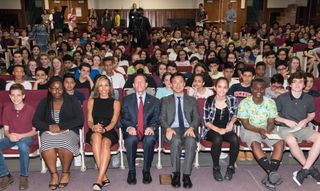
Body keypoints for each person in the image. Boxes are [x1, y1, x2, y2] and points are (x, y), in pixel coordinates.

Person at [32, 77, 84, 190]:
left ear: (63, 89)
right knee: (46, 142)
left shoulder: (72, 100)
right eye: (54, 88)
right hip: (49, 131)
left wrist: (61, 126)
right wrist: (49, 127)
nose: (57, 91)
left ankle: (65, 173)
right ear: (49, 89)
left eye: (60, 88)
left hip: (69, 130)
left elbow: (80, 120)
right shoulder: (44, 102)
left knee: (64, 141)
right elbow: (35, 121)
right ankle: (54, 174)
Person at [238, 78, 285, 191]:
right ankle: (271, 173)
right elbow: (245, 124)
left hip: (266, 129)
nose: (259, 91)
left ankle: (270, 176)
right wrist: (259, 131)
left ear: (265, 90)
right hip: (250, 129)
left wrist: (268, 131)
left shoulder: (270, 102)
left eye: (261, 88)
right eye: (256, 88)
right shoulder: (244, 103)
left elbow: (271, 122)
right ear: (251, 89)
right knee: (255, 143)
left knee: (280, 143)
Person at [275, 71, 320, 186]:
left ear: (304, 85)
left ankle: (304, 170)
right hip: (284, 128)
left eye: (301, 82)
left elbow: (311, 115)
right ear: (289, 84)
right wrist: (286, 121)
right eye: (294, 82)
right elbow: (273, 116)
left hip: (301, 128)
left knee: (319, 137)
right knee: (291, 140)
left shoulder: (309, 98)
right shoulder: (281, 98)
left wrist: (305, 121)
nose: (297, 84)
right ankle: (309, 169)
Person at [160, 73, 200, 188]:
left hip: (188, 129)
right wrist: (167, 128)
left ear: (184, 84)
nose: (178, 85)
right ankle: (176, 174)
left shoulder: (192, 100)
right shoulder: (165, 100)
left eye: (180, 82)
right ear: (171, 85)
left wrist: (192, 127)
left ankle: (186, 175)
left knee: (191, 142)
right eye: (175, 82)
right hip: (172, 129)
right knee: (176, 141)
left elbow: (197, 117)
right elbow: (161, 118)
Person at [120, 73, 160, 185]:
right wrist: (129, 127)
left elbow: (156, 119)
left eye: (142, 81)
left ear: (146, 84)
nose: (139, 84)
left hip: (147, 130)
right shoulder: (126, 100)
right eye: (136, 82)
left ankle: (146, 171)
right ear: (133, 85)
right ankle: (131, 171)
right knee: (131, 140)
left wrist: (152, 127)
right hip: (133, 130)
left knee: (150, 139)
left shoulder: (155, 101)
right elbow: (124, 118)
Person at [0, 84, 36, 190]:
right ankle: (6, 175)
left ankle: (24, 176)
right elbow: (6, 130)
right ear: (10, 96)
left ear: (23, 96)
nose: (15, 98)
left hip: (27, 137)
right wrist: (9, 135)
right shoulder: (6, 109)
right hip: (12, 137)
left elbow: (34, 131)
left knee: (23, 145)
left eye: (18, 95)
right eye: (13, 95)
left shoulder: (30, 109)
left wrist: (21, 136)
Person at [86, 76, 120, 190]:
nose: (103, 88)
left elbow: (114, 121)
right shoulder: (91, 101)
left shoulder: (116, 103)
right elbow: (89, 121)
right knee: (96, 136)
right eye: (101, 85)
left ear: (110, 87)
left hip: (109, 130)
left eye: (106, 85)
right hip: (94, 129)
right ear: (97, 88)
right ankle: (103, 177)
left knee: (105, 143)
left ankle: (99, 179)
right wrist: (94, 127)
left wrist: (104, 129)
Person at [203, 77, 239, 181]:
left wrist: (231, 123)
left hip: (226, 129)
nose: (222, 90)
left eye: (225, 87)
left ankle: (231, 167)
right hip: (211, 130)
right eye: (219, 87)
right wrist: (218, 130)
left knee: (235, 139)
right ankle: (216, 167)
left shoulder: (232, 99)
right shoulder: (209, 101)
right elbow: (206, 122)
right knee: (218, 138)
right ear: (215, 87)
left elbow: (235, 115)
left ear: (228, 89)